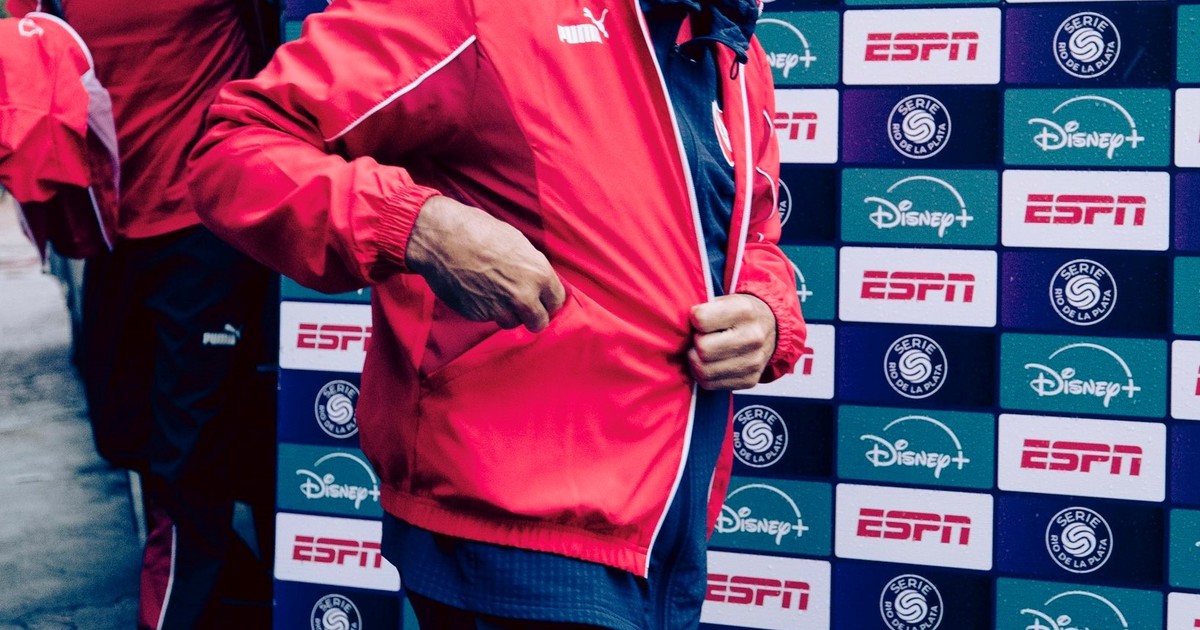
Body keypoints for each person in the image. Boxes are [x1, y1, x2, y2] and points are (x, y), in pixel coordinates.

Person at [188, 0, 806, 627]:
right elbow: (236, 148)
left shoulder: (734, 43)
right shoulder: (482, 8)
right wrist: (417, 227)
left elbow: (751, 232)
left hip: (666, 530)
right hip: (510, 526)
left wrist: (769, 313)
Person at [7, 0, 279, 627]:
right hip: (116, 234)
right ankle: (237, 576)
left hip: (208, 225)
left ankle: (176, 606)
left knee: (184, 467)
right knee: (125, 431)